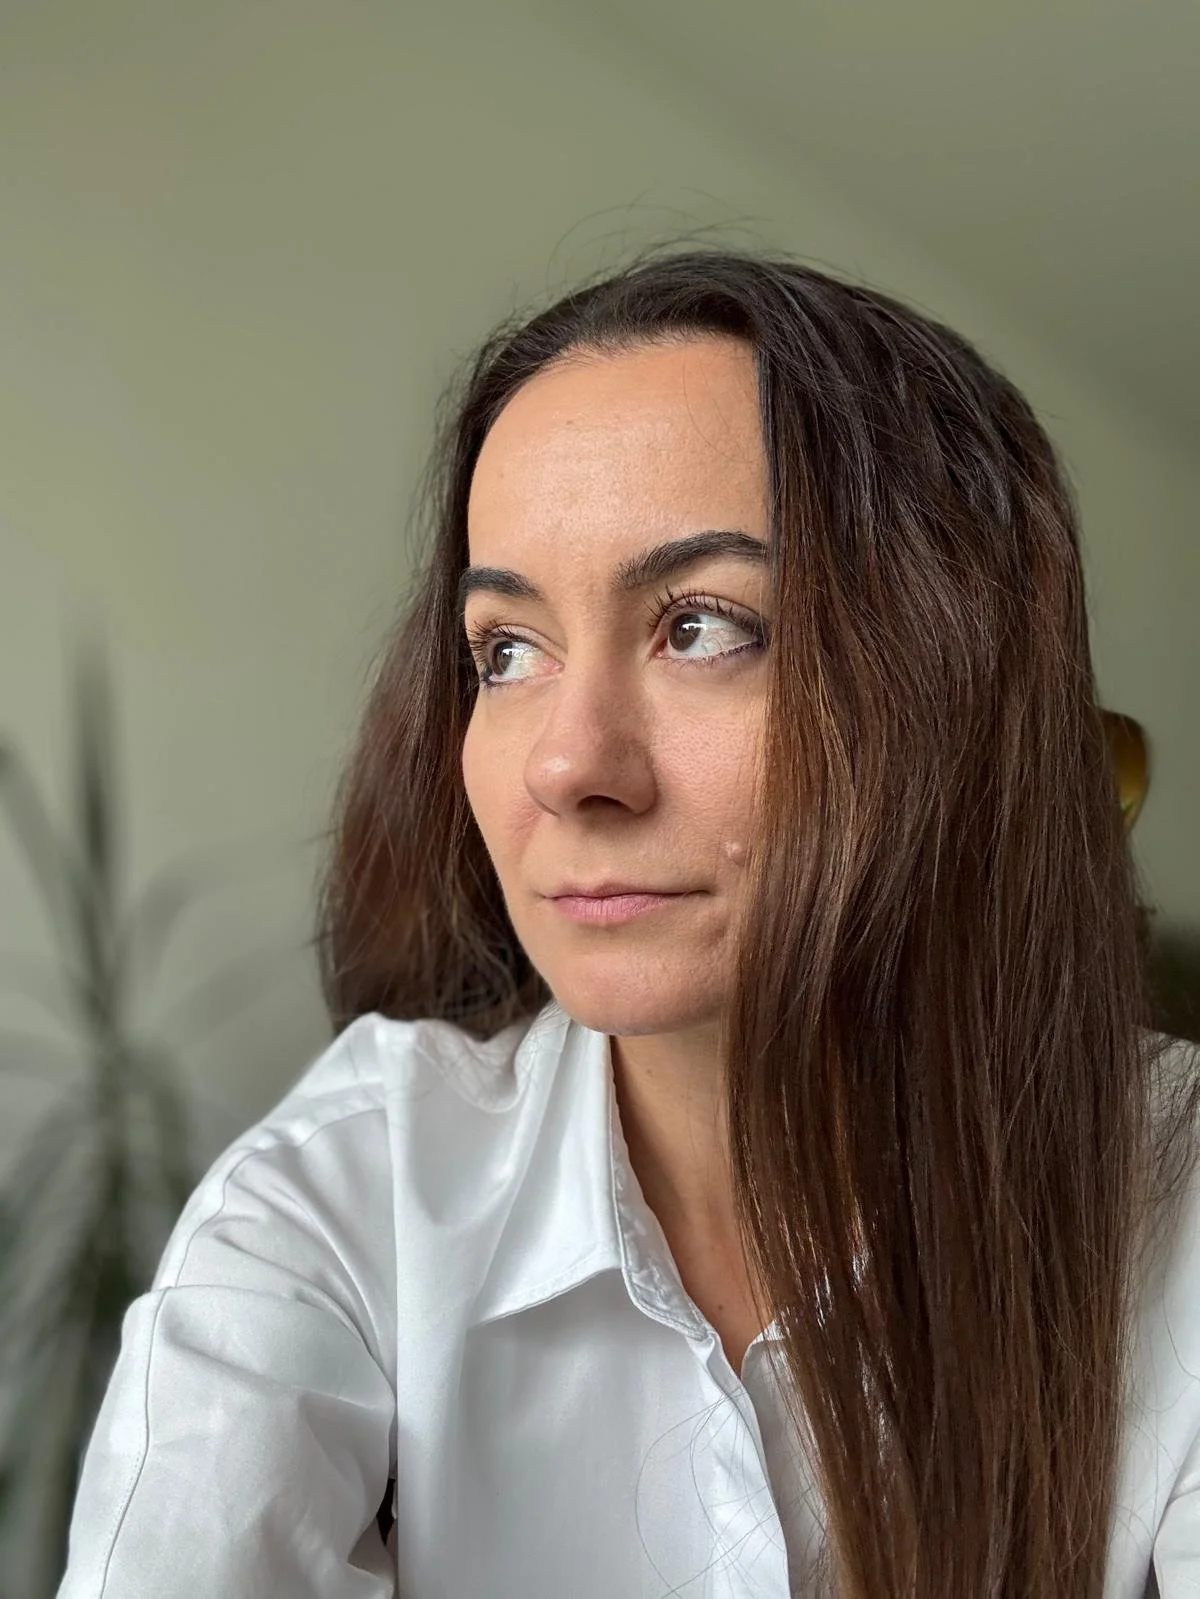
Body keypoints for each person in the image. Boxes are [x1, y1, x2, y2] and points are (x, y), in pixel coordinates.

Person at [56, 246, 1200, 1598]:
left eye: (703, 627)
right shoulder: (350, 1195)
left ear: (957, 688)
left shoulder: (1174, 1201)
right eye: (507, 650)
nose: (566, 764)